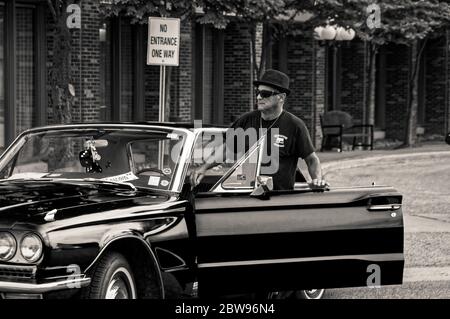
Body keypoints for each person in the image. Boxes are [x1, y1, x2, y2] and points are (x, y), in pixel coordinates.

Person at [191, 69, 328, 190]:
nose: (258, 97)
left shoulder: (295, 125)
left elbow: (311, 159)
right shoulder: (246, 120)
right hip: (245, 194)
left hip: (280, 199)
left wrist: (317, 179)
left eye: (264, 93)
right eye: (257, 92)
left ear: (281, 97)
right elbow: (227, 148)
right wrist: (203, 168)